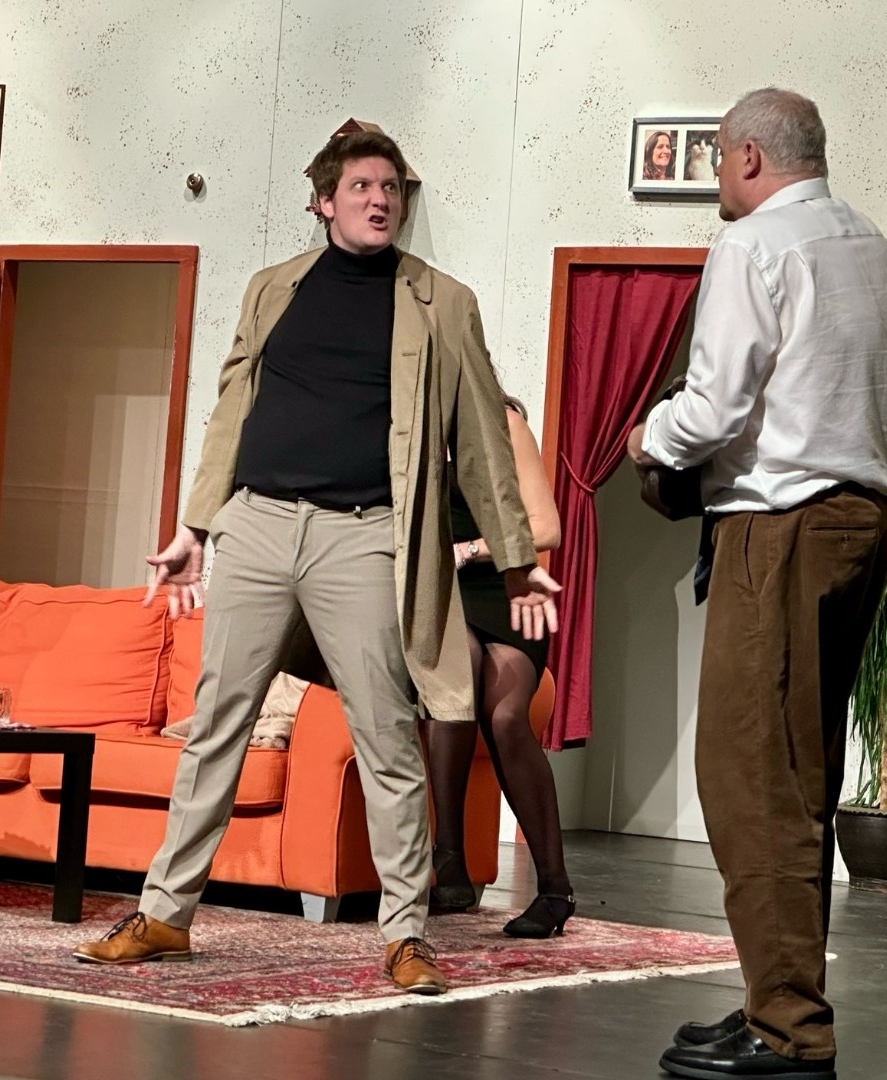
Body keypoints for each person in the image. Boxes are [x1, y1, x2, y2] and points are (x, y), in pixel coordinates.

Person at [73, 130, 561, 994]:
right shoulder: (274, 288)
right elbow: (230, 413)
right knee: (216, 725)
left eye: (391, 188)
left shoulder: (442, 302)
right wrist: (195, 527)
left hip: (364, 533)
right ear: (324, 201)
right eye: (362, 186)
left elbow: (483, 442)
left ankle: (404, 933)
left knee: (387, 734)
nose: (380, 200)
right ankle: (164, 915)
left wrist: (516, 559)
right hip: (257, 524)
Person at [627, 88, 887, 1080]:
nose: (718, 180)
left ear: (747, 156)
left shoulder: (752, 246)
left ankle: (789, 1028)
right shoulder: (869, 244)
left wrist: (647, 437)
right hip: (860, 519)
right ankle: (772, 1000)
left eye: (718, 160)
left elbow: (713, 409)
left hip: (780, 530)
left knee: (752, 779)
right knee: (799, 776)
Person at [424, 396, 573, 938]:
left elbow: (546, 528)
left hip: (506, 590)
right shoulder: (411, 427)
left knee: (508, 718)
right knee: (455, 673)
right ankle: (449, 860)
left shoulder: (503, 424)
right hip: (442, 597)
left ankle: (555, 889)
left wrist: (467, 550)